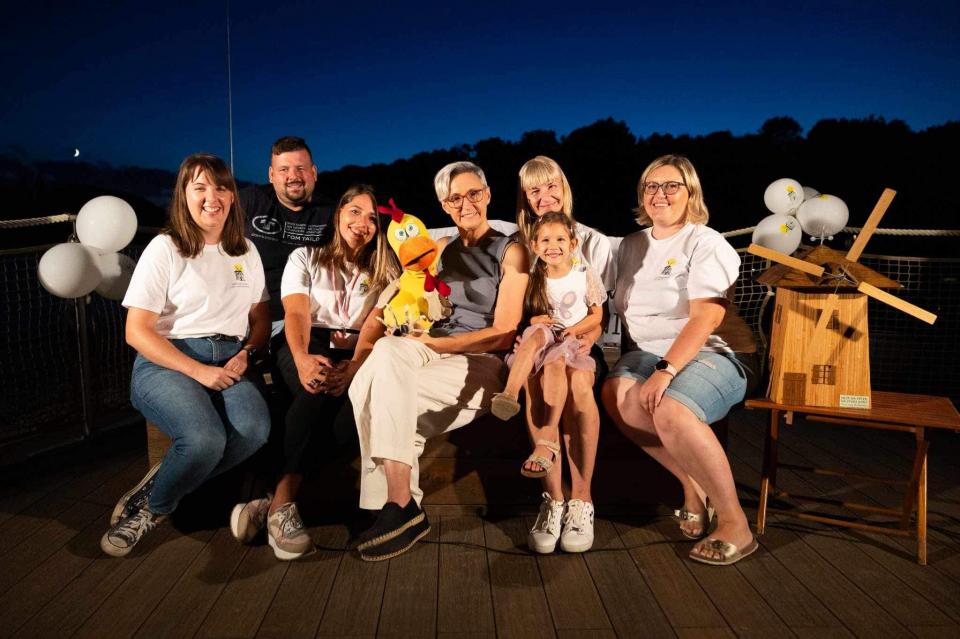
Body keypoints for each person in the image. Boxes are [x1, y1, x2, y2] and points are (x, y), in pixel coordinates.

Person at [348, 161, 529, 561]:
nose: (466, 204)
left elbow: (504, 330)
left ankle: (392, 505)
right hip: (429, 347)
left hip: (481, 359)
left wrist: (438, 346)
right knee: (383, 359)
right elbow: (407, 287)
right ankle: (400, 505)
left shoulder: (511, 250)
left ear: (488, 195)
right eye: (454, 198)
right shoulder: (442, 248)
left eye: (473, 194)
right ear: (444, 206)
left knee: (379, 392)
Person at [101, 153, 270, 557]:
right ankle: (153, 509)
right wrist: (198, 371)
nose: (213, 197)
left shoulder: (245, 250)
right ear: (183, 195)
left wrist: (248, 352)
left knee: (254, 431)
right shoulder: (165, 248)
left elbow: (260, 317)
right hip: (168, 361)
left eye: (221, 187)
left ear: (232, 196)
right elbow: (136, 331)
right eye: (200, 187)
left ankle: (164, 480)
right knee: (203, 439)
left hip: (230, 357)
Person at [601, 154, 759, 566]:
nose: (660, 194)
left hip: (718, 350)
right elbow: (572, 246)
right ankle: (693, 486)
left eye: (672, 185)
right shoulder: (630, 246)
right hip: (649, 352)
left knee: (670, 410)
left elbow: (708, 317)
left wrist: (666, 371)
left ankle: (735, 524)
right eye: (651, 186)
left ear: (691, 193)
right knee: (617, 395)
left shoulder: (705, 242)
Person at [228, 185, 397, 560]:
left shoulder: (386, 269)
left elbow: (375, 325)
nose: (363, 223)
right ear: (338, 215)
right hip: (306, 339)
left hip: (358, 348)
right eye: (355, 211)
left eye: (372, 218)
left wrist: (355, 367)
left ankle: (270, 495)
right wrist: (302, 357)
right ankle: (284, 508)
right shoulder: (306, 256)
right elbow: (297, 313)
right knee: (316, 385)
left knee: (349, 421)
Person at [509, 156, 614, 554]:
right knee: (536, 381)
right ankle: (552, 500)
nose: (544, 196)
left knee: (579, 385)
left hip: (581, 341)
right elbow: (523, 308)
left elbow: (600, 311)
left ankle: (581, 501)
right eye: (534, 190)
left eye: (551, 186)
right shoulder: (520, 244)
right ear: (525, 197)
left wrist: (587, 336)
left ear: (564, 188)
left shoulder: (591, 242)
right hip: (541, 342)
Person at [492, 212, 605, 552]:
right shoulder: (535, 275)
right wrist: (533, 321)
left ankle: (550, 447)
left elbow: (597, 315)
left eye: (559, 240)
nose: (552, 246)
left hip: (568, 341)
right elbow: (526, 315)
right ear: (534, 244)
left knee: (557, 368)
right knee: (535, 341)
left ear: (573, 243)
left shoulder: (584, 273)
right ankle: (508, 394)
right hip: (544, 336)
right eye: (545, 240)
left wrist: (578, 331)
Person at [242, 136, 334, 340]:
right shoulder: (251, 200)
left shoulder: (332, 214)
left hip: (307, 323)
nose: (293, 176)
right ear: (271, 175)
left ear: (314, 173)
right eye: (284, 169)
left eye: (300, 168)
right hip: (246, 320)